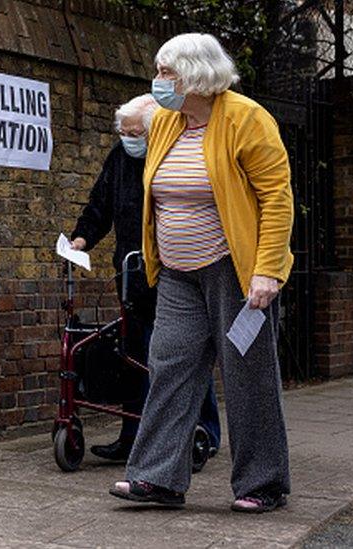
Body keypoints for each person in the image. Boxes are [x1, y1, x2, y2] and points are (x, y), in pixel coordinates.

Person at [108, 33, 293, 513]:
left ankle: (263, 482)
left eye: (167, 72)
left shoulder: (248, 119)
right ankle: (158, 478)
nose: (159, 81)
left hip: (235, 271)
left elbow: (276, 199)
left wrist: (267, 270)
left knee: (247, 374)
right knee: (170, 367)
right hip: (178, 273)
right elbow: (137, 118)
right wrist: (137, 113)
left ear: (195, 74)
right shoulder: (171, 121)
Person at [69, 94, 221, 464]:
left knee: (180, 355)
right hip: (132, 272)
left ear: (154, 131)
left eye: (134, 132)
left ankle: (204, 431)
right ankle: (133, 435)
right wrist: (82, 237)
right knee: (134, 354)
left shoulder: (171, 156)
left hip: (172, 270)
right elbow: (100, 204)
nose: (127, 138)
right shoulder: (120, 158)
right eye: (123, 132)